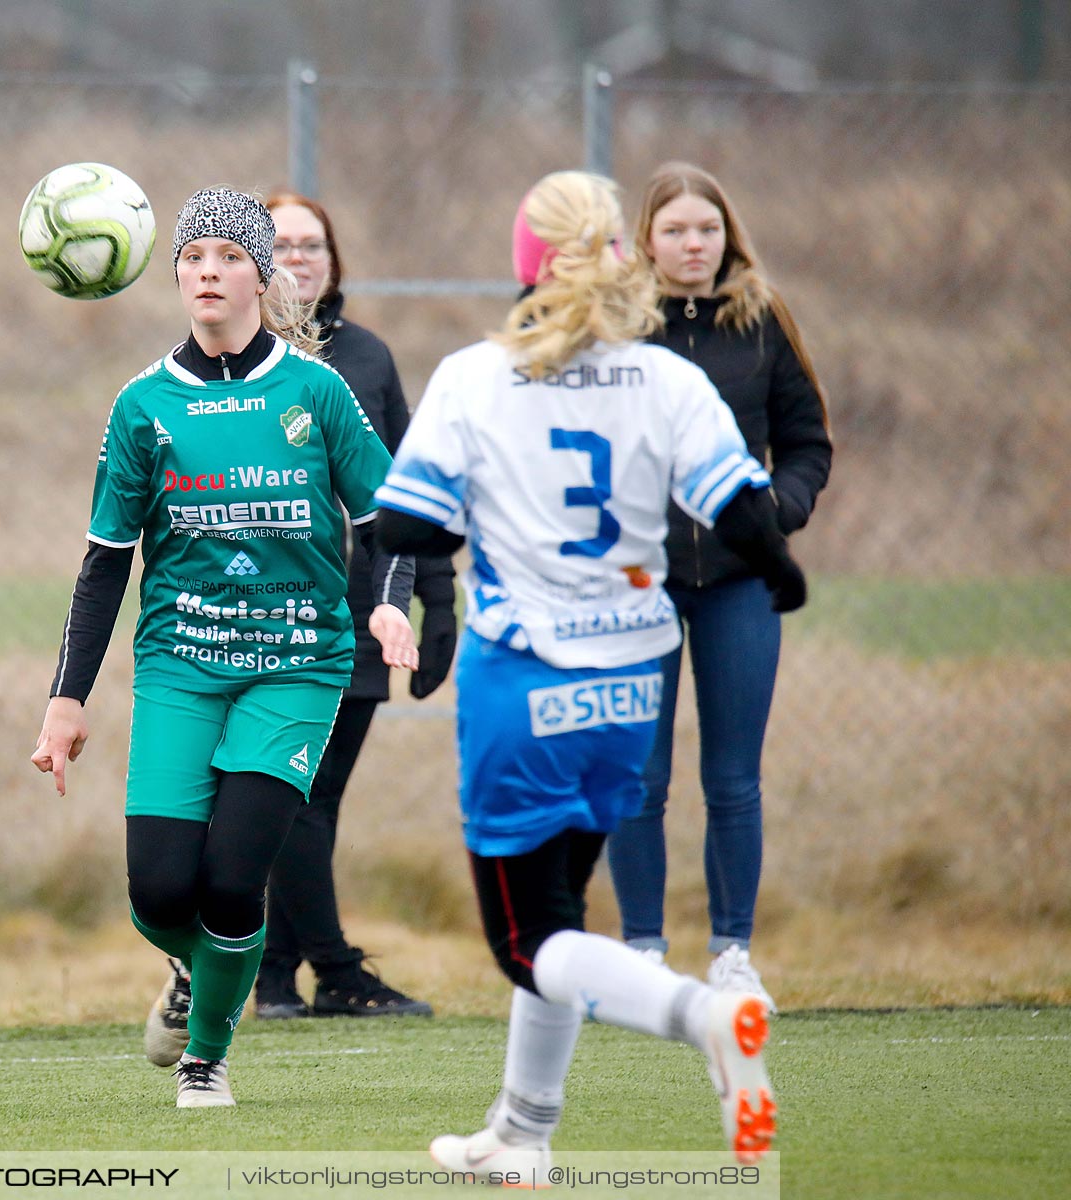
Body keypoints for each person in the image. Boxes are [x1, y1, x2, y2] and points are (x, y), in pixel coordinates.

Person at [374, 170, 804, 1169]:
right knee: (560, 917)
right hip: (630, 684)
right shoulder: (665, 377)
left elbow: (406, 525)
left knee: (528, 945)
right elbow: (744, 509)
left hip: (526, 684)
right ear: (624, 254)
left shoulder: (476, 377)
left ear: (525, 264)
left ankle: (703, 1016)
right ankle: (524, 1135)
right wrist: (782, 577)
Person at [30, 187, 420, 1108]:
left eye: (229, 256)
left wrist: (391, 605)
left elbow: (394, 518)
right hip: (179, 666)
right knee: (164, 892)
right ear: (176, 276)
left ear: (261, 274)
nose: (208, 271)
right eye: (193, 257)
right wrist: (66, 696)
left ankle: (206, 1056)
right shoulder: (143, 406)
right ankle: (191, 969)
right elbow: (103, 565)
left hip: (297, 665)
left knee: (234, 878)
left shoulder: (317, 392)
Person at [604, 162, 832, 1008]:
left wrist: (778, 512)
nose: (694, 245)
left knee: (732, 779)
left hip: (740, 583)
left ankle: (733, 956)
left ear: (727, 235)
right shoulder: (617, 328)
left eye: (708, 229)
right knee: (639, 778)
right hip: (641, 584)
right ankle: (643, 956)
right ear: (647, 242)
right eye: (675, 230)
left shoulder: (763, 320)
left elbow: (808, 441)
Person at [253, 192, 457, 1021]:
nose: (299, 258)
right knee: (290, 797)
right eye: (282, 245)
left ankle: (275, 975)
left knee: (318, 801)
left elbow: (411, 494)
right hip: (270, 620)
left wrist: (437, 603)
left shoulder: (367, 356)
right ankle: (329, 968)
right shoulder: (235, 360)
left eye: (314, 245)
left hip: (369, 618)